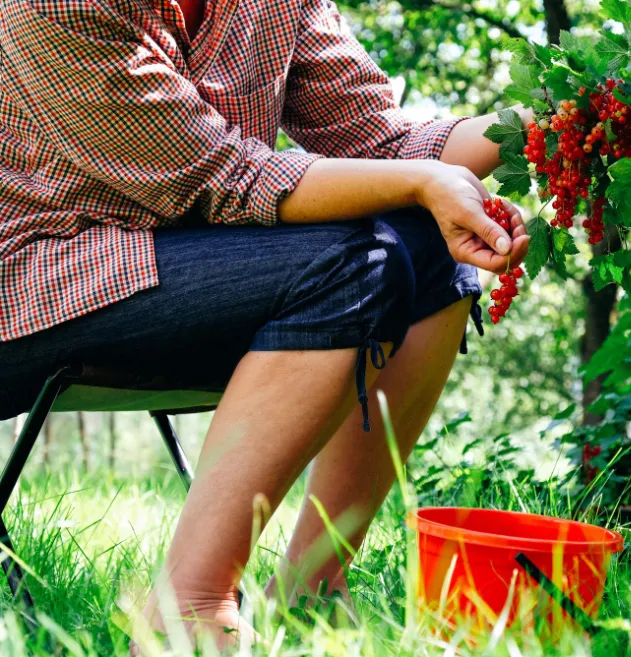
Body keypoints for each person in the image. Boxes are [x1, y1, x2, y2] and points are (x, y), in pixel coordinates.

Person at [0, 0, 531, 647]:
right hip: (36, 281)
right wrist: (423, 182)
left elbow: (383, 140)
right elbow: (224, 176)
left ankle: (311, 591)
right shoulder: (55, 6)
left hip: (199, 276)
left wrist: (542, 125)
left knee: (431, 248)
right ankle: (188, 608)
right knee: (352, 261)